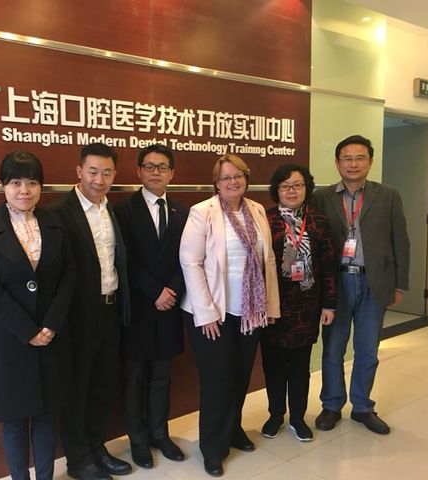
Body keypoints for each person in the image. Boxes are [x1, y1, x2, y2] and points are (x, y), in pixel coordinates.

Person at [0, 151, 76, 480]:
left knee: (46, 415)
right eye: (15, 182)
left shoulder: (55, 222)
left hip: (51, 336)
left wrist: (51, 325)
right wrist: (28, 330)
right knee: (15, 420)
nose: (24, 190)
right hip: (10, 339)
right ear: (2, 185)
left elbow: (70, 274)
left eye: (32, 182)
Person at [180, 154, 280, 477]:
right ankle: (212, 448)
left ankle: (233, 430)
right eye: (225, 177)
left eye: (238, 176)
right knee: (217, 381)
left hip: (249, 311)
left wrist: (269, 306)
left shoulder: (257, 210)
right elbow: (190, 262)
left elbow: (267, 261)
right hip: (214, 313)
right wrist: (206, 312)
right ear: (216, 183)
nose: (232, 182)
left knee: (240, 376)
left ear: (246, 179)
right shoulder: (203, 212)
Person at [312, 134, 410, 435]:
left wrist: (400, 284)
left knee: (367, 350)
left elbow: (401, 241)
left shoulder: (388, 195)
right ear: (337, 163)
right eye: (347, 158)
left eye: (359, 158)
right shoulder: (321, 196)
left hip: (374, 283)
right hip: (336, 284)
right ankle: (331, 405)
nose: (353, 164)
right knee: (333, 349)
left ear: (370, 161)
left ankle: (363, 406)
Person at [49, 143, 132, 480]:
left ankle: (97, 448)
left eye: (107, 173)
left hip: (110, 310)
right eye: (93, 171)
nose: (100, 179)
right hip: (78, 317)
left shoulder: (112, 210)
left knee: (102, 385)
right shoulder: (59, 213)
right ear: (79, 171)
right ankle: (78, 459)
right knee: (77, 390)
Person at [114, 144, 189, 469]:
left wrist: (172, 289)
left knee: (162, 375)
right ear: (139, 171)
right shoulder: (123, 210)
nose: (155, 172)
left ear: (172, 172)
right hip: (138, 308)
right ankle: (138, 440)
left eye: (162, 167)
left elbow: (189, 256)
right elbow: (124, 258)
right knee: (134, 377)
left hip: (169, 305)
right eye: (149, 166)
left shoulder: (182, 211)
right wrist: (154, 291)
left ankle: (160, 433)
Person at [260, 164, 338, 443]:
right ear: (276, 190)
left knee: (300, 366)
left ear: (307, 188)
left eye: (297, 185)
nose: (291, 191)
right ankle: (275, 414)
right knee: (273, 364)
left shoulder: (318, 221)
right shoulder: (265, 220)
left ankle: (297, 417)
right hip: (273, 307)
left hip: (307, 307)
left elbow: (328, 265)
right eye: (285, 186)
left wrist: (329, 304)